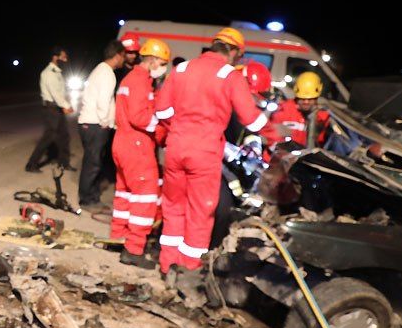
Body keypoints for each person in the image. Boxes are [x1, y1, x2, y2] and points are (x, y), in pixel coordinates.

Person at [154, 27, 268, 274]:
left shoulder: (182, 68)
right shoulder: (230, 76)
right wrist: (271, 129)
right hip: (204, 153)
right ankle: (187, 270)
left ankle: (166, 264)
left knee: (173, 207)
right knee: (199, 212)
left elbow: (161, 111)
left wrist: (181, 127)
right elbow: (251, 120)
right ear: (235, 51)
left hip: (175, 148)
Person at [112, 38, 171, 269]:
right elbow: (140, 117)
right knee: (145, 197)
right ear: (154, 60)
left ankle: (118, 237)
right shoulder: (139, 81)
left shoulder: (133, 78)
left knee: (125, 193)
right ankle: (134, 249)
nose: (164, 67)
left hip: (123, 143)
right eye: (163, 62)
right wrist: (162, 125)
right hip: (136, 145)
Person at [77, 41, 126, 210]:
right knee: (93, 164)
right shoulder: (107, 74)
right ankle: (86, 200)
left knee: (92, 162)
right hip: (95, 124)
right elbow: (103, 103)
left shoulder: (100, 70)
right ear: (118, 55)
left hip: (90, 123)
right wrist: (106, 123)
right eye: (124, 56)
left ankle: (91, 196)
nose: (124, 60)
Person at [25, 48, 74, 172]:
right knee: (49, 137)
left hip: (57, 108)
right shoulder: (48, 73)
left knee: (64, 136)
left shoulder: (57, 72)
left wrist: (64, 104)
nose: (66, 59)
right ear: (55, 57)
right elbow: (55, 93)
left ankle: (64, 163)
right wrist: (66, 106)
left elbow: (61, 91)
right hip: (51, 109)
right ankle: (31, 165)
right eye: (63, 57)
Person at [260, 71, 329, 148]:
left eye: (310, 99)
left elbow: (320, 143)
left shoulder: (322, 117)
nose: (306, 102)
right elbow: (267, 135)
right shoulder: (283, 109)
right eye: (302, 98)